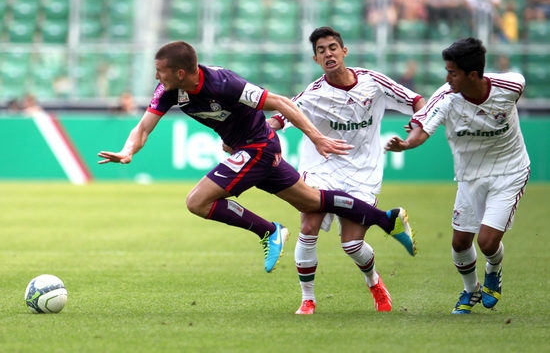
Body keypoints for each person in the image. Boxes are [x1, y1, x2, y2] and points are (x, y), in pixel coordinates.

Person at [98, 40, 415, 275]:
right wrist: (127, 152)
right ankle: (386, 219)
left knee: (197, 201)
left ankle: (268, 231)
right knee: (312, 201)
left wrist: (315, 136)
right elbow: (143, 128)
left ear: (180, 72)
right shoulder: (168, 90)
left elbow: (279, 102)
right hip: (247, 149)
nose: (157, 76)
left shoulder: (224, 83)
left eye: (161, 71)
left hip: (258, 146)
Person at [268, 26, 424, 314]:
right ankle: (308, 298)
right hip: (322, 168)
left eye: (332, 47)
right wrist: (258, 133)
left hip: (363, 173)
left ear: (344, 51)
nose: (327, 54)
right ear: (316, 59)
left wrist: (420, 126)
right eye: (320, 50)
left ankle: (374, 282)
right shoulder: (313, 94)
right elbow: (279, 117)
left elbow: (416, 101)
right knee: (308, 227)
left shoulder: (373, 82)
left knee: (352, 244)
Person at [385, 37, 530, 314]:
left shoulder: (511, 86)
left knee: (487, 242)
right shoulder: (446, 98)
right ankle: (470, 289)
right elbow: (422, 130)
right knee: (460, 242)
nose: (447, 78)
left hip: (509, 171)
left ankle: (493, 270)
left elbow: (512, 93)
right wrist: (405, 145)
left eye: (452, 72)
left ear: (473, 75)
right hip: (469, 176)